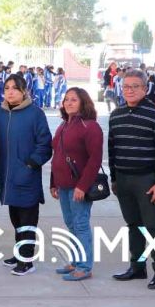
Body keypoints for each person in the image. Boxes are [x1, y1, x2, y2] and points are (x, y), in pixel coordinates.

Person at [109, 69, 155, 290]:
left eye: (136, 86)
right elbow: (112, 149)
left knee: (152, 226)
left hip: (147, 180)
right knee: (133, 225)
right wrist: (114, 179)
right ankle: (137, 267)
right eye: (126, 86)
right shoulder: (116, 115)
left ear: (145, 89)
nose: (130, 90)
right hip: (123, 180)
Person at [0, 74, 53, 276]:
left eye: (15, 88)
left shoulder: (35, 113)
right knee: (15, 218)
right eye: (7, 87)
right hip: (7, 176)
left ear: (24, 91)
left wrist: (30, 164)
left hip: (27, 175)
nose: (10, 91)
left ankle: (27, 260)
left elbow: (45, 144)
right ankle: (19, 253)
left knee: (28, 220)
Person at [50, 87, 102, 281]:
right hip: (63, 185)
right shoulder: (63, 125)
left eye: (74, 100)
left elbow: (94, 160)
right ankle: (75, 260)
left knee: (80, 225)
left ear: (83, 102)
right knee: (71, 224)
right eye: (66, 99)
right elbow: (58, 155)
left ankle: (84, 266)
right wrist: (53, 183)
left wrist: (82, 186)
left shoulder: (90, 126)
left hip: (79, 186)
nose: (69, 103)